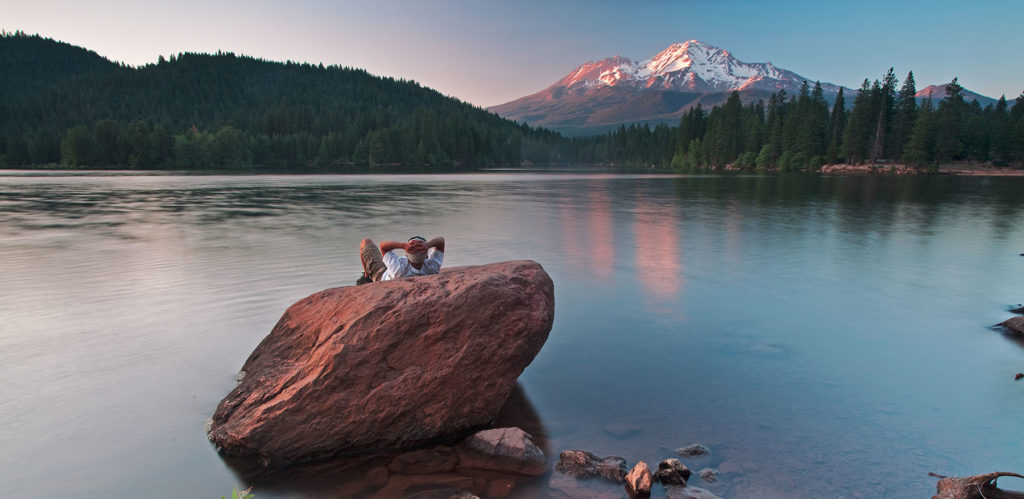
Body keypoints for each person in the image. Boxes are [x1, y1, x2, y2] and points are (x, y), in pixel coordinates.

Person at [357, 235, 445, 284]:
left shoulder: (399, 268)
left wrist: (403, 245)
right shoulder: (432, 267)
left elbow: (383, 246)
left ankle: (367, 275)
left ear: (406, 255)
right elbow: (441, 241)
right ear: (427, 257)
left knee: (366, 241)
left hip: (382, 274)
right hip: (391, 269)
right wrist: (428, 245)